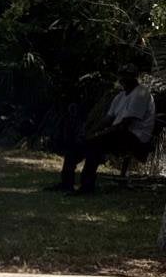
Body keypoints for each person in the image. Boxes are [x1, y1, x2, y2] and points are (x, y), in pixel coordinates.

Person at [57, 65, 156, 194]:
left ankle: (86, 187)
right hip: (119, 133)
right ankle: (66, 183)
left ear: (134, 77)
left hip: (135, 137)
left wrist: (97, 136)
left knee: (95, 144)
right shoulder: (120, 96)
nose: (124, 78)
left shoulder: (141, 93)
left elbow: (125, 124)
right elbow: (107, 120)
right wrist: (90, 132)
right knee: (77, 144)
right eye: (123, 75)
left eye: (128, 75)